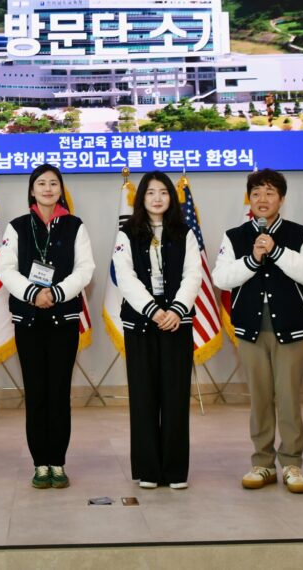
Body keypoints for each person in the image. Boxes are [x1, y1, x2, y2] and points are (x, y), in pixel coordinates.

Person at [211, 169, 303, 494]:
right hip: (250, 327)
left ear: (282, 199)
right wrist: (253, 259)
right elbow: (221, 278)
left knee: (288, 398)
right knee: (259, 398)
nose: (262, 199)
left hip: (291, 327)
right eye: (256, 193)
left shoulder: (302, 234)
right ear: (249, 198)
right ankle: (262, 462)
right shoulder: (235, 236)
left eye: (270, 193)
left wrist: (277, 251)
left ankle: (292, 464)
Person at [0, 164, 94, 489]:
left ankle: (58, 461)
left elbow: (85, 269)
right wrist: (32, 294)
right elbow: (5, 269)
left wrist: (55, 293)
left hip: (63, 320)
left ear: (61, 189)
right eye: (42, 183)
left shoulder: (75, 226)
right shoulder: (17, 227)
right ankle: (40, 463)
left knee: (59, 393)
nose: (48, 188)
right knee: (36, 393)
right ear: (32, 190)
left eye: (54, 183)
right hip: (29, 321)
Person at [112, 172, 200, 489]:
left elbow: (193, 274)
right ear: (142, 198)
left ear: (171, 198)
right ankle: (148, 470)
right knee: (143, 396)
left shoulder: (185, 233)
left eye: (163, 192)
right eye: (151, 192)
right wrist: (152, 310)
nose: (158, 198)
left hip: (177, 322)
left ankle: (175, 471)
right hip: (140, 323)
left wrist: (176, 309)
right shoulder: (127, 233)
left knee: (175, 397)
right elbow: (125, 276)